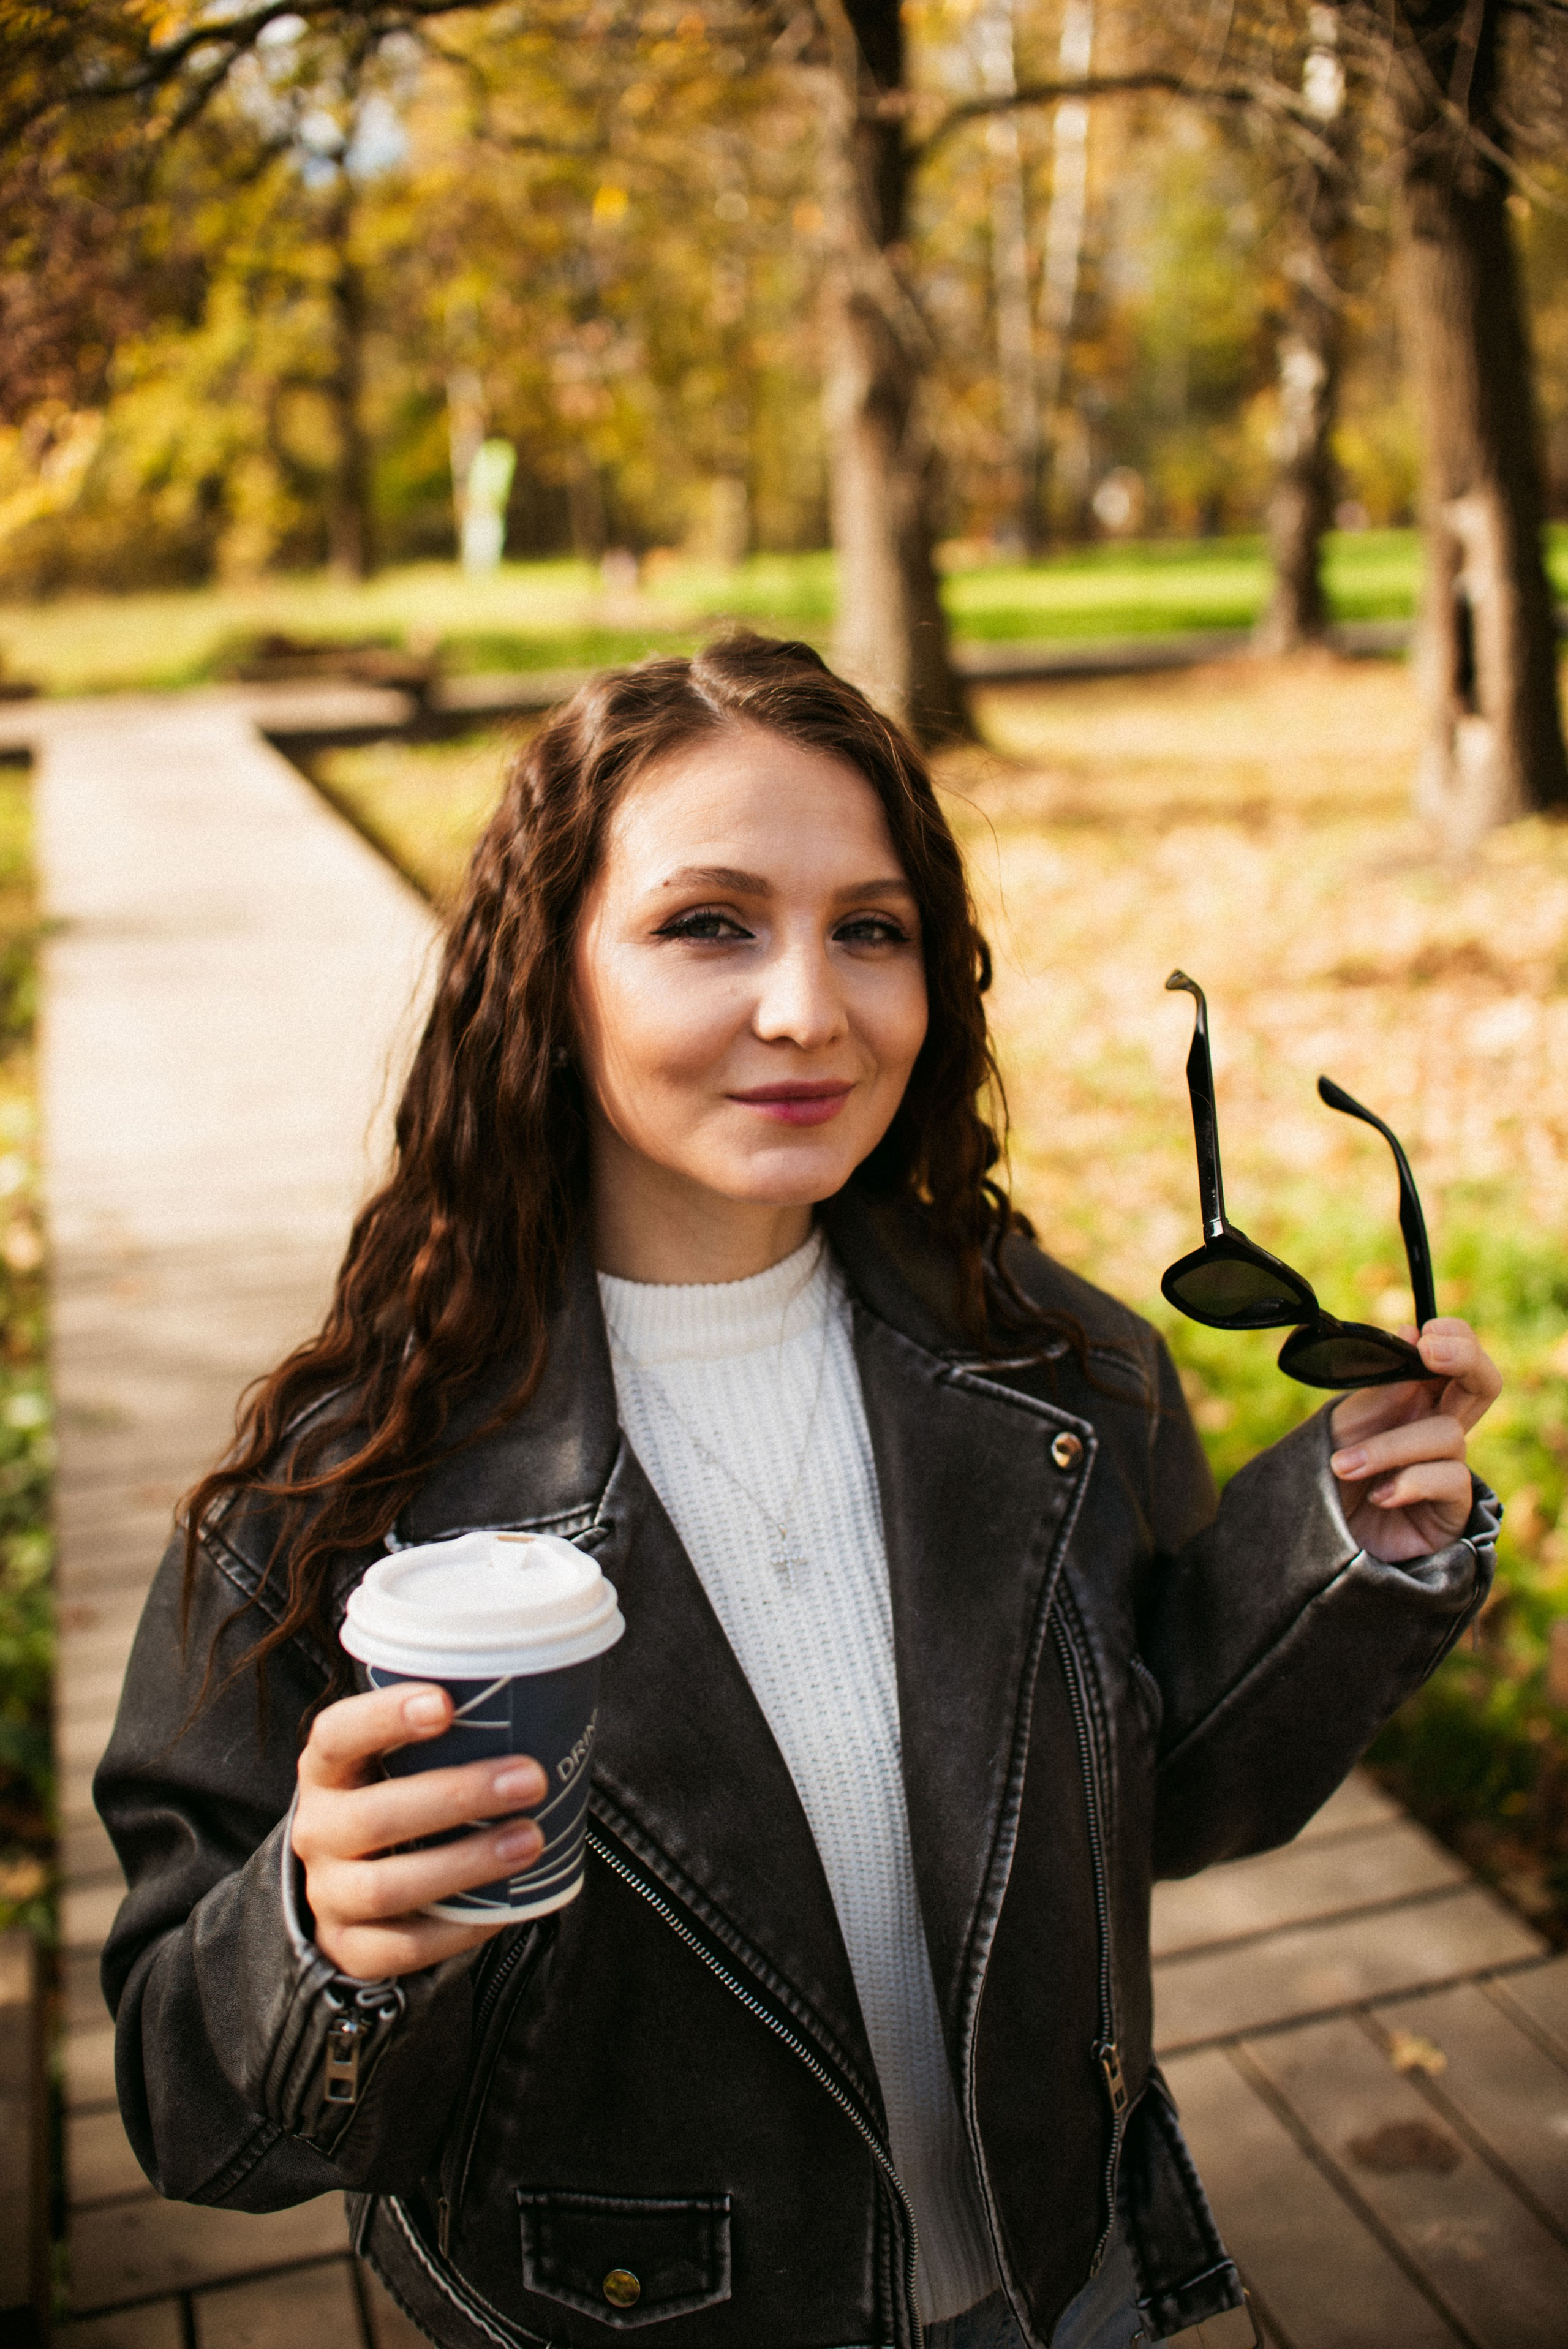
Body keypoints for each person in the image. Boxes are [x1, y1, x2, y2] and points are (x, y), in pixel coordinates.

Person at [97, 635, 1501, 2349]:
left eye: (871, 926)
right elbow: (190, 2114)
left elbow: (1161, 1800)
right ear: (552, 974)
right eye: (710, 923)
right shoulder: (332, 1499)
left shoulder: (1054, 1364)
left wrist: (1348, 1544)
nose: (808, 1008)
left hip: (1071, 2287)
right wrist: (315, 1934)